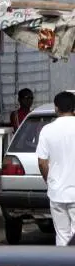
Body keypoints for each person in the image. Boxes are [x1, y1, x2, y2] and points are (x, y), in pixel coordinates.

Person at [36, 91, 75, 246]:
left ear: (56, 108)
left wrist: (49, 180)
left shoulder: (47, 130)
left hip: (57, 191)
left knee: (62, 235)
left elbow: (42, 162)